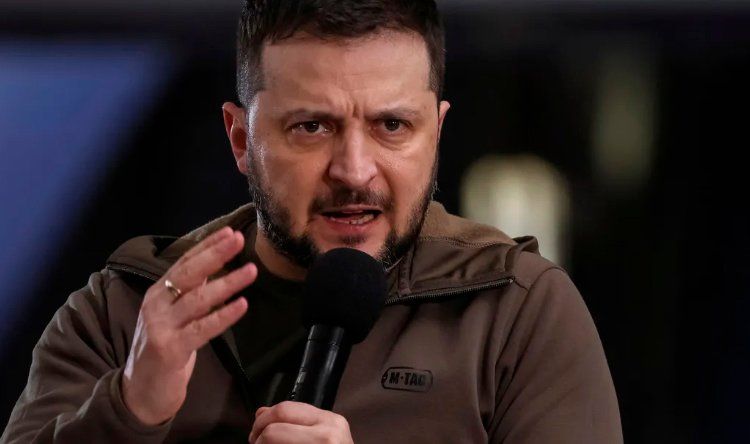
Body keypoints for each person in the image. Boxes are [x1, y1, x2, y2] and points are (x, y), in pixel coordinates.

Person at [1, 1, 622, 443]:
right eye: (312, 127)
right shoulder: (124, 313)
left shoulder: (516, 312)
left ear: (436, 133)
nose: (354, 170)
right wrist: (129, 411)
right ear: (241, 139)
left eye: (392, 126)